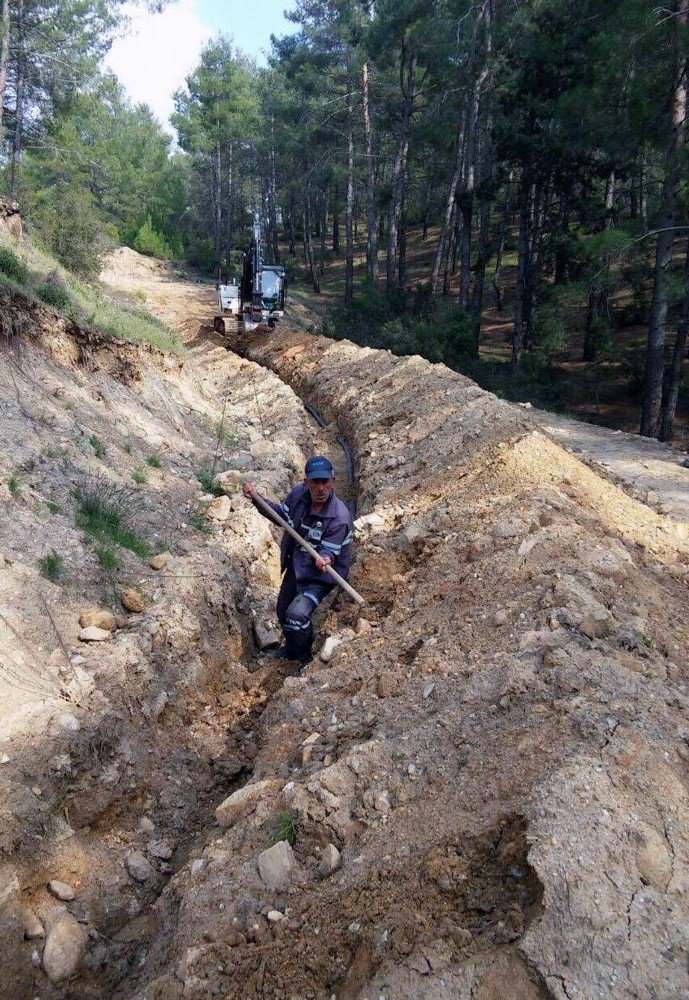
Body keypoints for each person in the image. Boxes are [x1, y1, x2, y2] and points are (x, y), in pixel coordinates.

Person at [242, 456, 353, 664]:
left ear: (333, 481)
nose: (321, 488)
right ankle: (291, 649)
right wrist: (257, 499)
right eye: (315, 482)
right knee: (283, 611)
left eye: (325, 482)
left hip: (320, 577)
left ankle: (304, 656)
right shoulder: (298, 496)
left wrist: (325, 558)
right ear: (306, 482)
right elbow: (281, 518)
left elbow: (329, 553)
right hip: (297, 563)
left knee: (297, 614)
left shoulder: (339, 518)